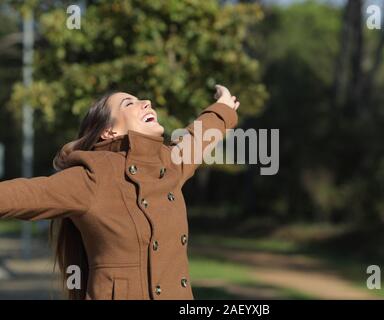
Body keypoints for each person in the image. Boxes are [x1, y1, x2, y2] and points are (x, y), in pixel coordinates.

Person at [0, 84, 240, 300]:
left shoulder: (169, 164)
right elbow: (21, 194)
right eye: (129, 103)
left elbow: (198, 138)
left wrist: (223, 108)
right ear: (108, 131)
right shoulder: (91, 176)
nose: (145, 102)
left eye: (140, 99)